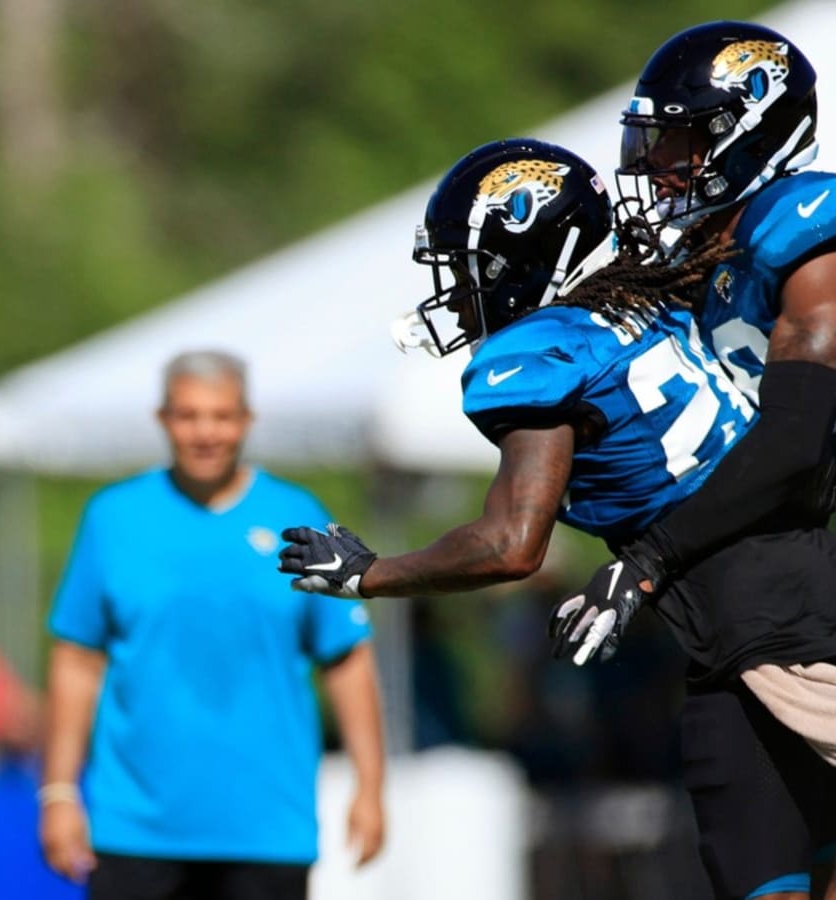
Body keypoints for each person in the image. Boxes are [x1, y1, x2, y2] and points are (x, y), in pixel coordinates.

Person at [278, 136, 836, 900]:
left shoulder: (541, 352)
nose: (460, 291)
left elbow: (511, 544)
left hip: (777, 631)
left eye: (469, 267)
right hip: (736, 644)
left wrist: (373, 575)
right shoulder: (650, 304)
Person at [546, 21, 836, 899]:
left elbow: (790, 440)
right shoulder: (704, 250)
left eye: (680, 137)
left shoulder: (809, 236)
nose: (659, 163)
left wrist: (645, 562)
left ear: (747, 128)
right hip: (736, 619)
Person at [40, 349, 385, 900]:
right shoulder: (113, 517)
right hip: (134, 827)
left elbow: (346, 658)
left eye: (222, 416)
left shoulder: (297, 519)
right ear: (164, 419)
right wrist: (58, 793)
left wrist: (371, 787)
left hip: (267, 829)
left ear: (246, 420)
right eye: (189, 415)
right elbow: (76, 660)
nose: (206, 432)